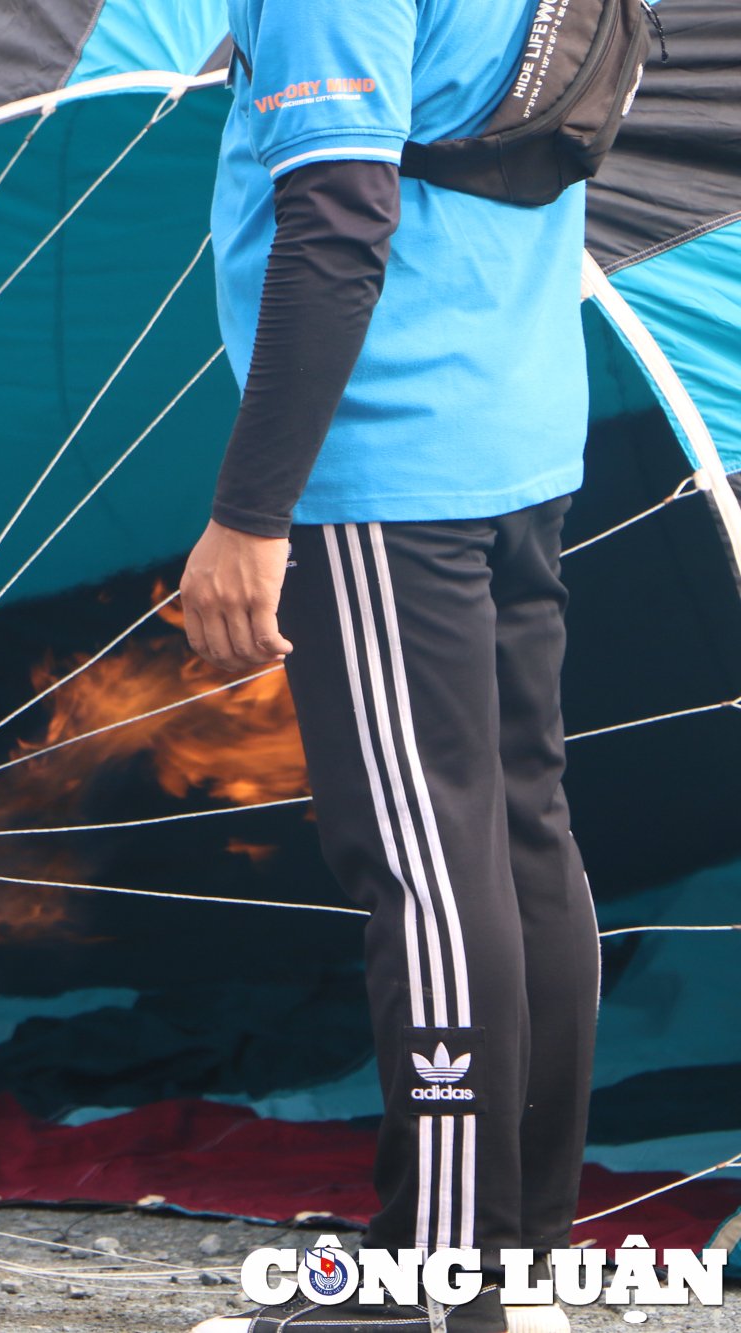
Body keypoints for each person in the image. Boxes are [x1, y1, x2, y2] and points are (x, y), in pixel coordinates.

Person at [183, 2, 595, 1331]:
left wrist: (251, 517)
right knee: (519, 837)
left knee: (423, 867)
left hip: (392, 456)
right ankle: (513, 1251)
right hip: (519, 414)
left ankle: (438, 1279)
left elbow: (340, 220)